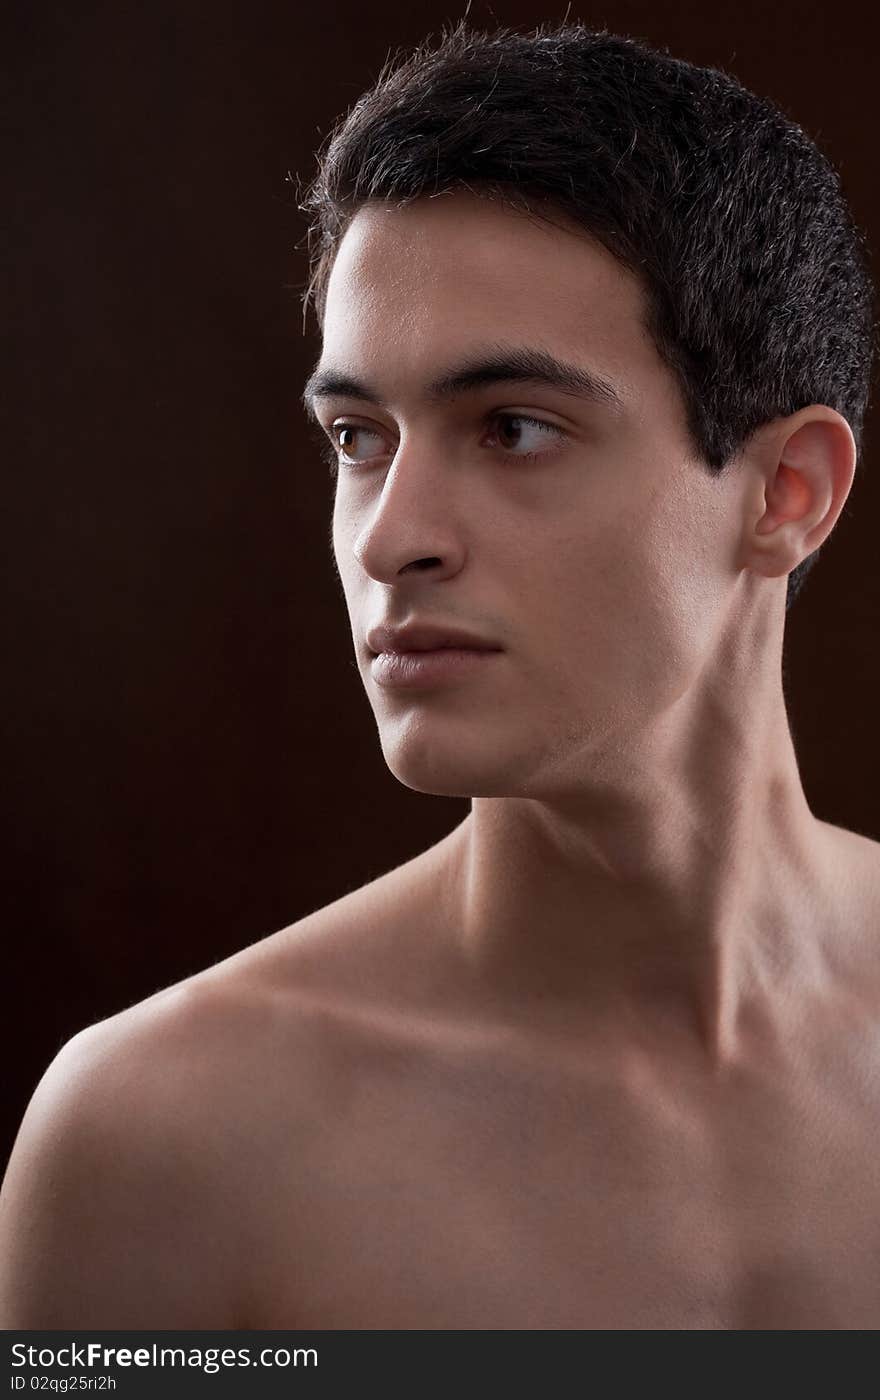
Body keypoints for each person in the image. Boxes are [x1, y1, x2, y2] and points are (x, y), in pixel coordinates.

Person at [1, 18, 878, 1331]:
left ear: (787, 494)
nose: (391, 535)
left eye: (512, 428)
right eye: (360, 435)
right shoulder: (165, 1144)